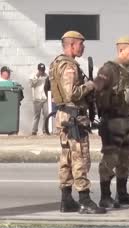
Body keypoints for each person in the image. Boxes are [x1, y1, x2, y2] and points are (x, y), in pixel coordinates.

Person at [48, 30, 106, 214]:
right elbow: (71, 93)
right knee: (80, 157)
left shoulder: (57, 63)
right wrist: (91, 85)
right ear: (71, 45)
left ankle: (66, 199)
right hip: (73, 117)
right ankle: (84, 199)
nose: (83, 47)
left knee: (67, 158)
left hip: (65, 116)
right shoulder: (69, 66)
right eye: (81, 44)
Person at [93, 36, 129, 208]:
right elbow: (96, 90)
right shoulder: (108, 69)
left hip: (128, 119)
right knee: (110, 158)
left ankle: (122, 193)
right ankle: (105, 196)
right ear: (121, 50)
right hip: (112, 120)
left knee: (126, 158)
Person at [30, 63, 48, 136]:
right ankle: (34, 130)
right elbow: (31, 84)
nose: (42, 72)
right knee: (37, 115)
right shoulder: (33, 76)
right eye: (40, 70)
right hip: (37, 99)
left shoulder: (47, 76)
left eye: (43, 70)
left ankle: (45, 130)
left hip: (45, 98)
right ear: (38, 70)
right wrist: (37, 77)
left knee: (46, 115)